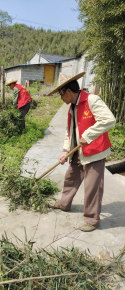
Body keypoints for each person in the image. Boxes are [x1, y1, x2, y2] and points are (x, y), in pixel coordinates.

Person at [47, 72, 116, 232]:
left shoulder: (91, 100)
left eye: (61, 95)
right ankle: (64, 204)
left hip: (94, 152)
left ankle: (92, 220)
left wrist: (88, 135)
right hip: (78, 152)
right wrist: (66, 151)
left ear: (68, 92)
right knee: (70, 178)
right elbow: (69, 132)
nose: (61, 99)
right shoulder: (72, 107)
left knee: (92, 187)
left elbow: (109, 119)